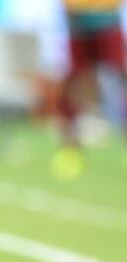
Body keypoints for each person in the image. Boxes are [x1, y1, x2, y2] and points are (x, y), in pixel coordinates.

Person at [53, 0, 127, 180]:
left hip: (107, 16)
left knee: (120, 77)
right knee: (75, 82)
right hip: (78, 17)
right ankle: (71, 150)